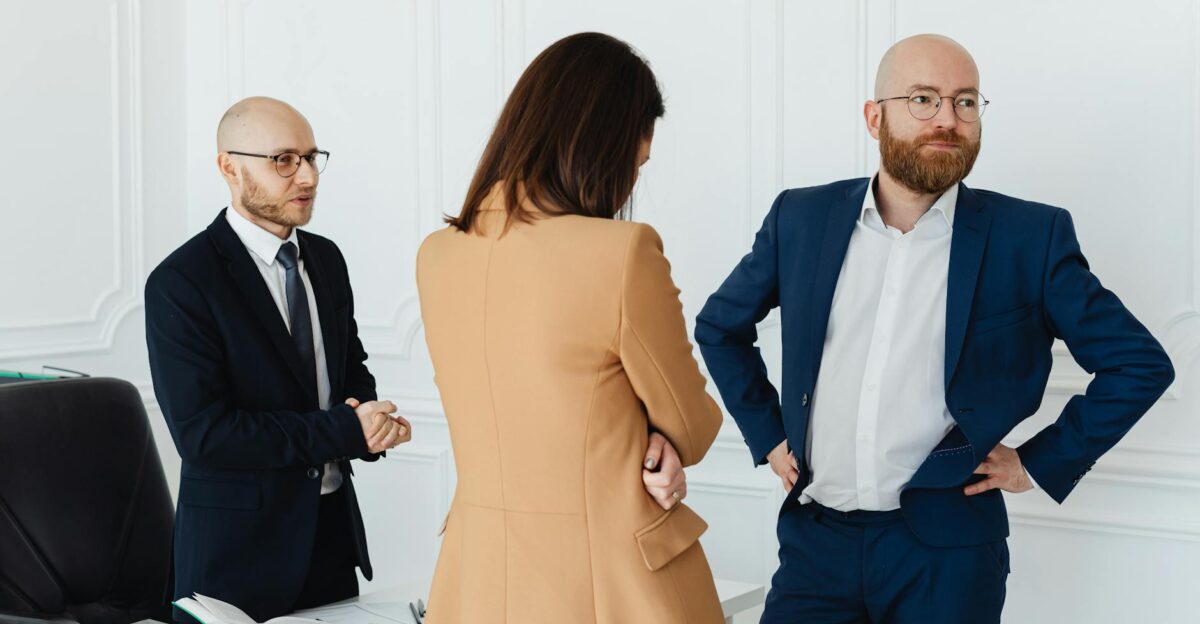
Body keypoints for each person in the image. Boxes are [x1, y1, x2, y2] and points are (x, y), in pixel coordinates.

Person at [695, 34, 1175, 623]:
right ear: (875, 118)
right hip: (814, 546)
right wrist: (768, 435)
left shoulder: (1030, 236)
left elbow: (1139, 363)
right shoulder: (801, 217)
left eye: (965, 102)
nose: (947, 119)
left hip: (948, 559)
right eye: (923, 99)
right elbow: (720, 326)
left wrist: (1037, 461)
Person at [416, 32, 725, 623]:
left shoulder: (436, 254)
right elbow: (692, 424)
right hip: (608, 582)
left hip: (476, 580)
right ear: (602, 147)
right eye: (634, 163)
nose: (631, 182)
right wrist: (658, 442)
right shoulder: (622, 252)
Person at [145, 96, 411, 621]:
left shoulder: (327, 259)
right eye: (284, 160)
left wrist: (372, 423)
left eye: (313, 158)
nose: (307, 176)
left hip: (330, 543)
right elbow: (206, 435)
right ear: (229, 166)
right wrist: (345, 430)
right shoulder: (182, 282)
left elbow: (349, 373)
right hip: (235, 562)